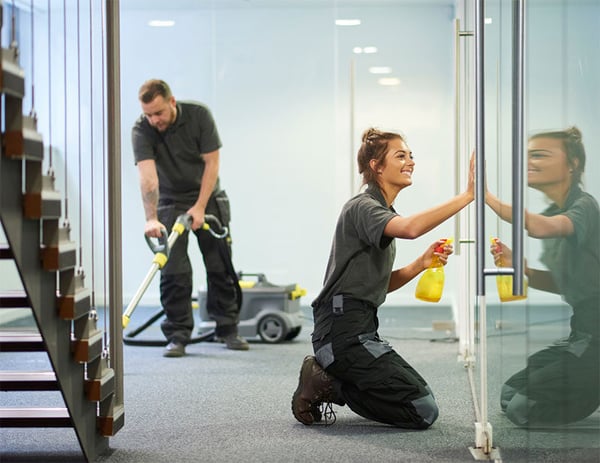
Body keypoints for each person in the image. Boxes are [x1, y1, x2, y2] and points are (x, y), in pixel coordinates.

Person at [291, 127, 474, 428]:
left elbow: (373, 285)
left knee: (420, 400)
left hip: (359, 329)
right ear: (376, 166)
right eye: (400, 156)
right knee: (422, 410)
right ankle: (327, 382)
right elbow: (411, 228)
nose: (410, 161)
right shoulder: (363, 206)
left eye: (411, 155)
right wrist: (467, 196)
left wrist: (420, 264)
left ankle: (333, 379)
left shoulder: (380, 209)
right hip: (341, 335)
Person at [487, 126, 599, 426]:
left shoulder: (583, 206)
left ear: (573, 163)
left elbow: (539, 227)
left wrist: (487, 198)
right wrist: (524, 271)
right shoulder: (555, 209)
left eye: (539, 155)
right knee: (510, 395)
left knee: (522, 411)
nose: (529, 162)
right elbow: (568, 283)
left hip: (596, 340)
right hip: (582, 334)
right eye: (527, 155)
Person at [131, 79, 249, 357]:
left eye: (158, 113)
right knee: (173, 271)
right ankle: (178, 334)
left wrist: (199, 206)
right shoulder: (142, 129)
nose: (153, 119)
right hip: (170, 202)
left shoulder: (198, 116)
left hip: (207, 197)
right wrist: (151, 218)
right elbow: (148, 179)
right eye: (148, 114)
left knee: (220, 266)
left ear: (172, 102)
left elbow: (212, 163)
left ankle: (227, 329)